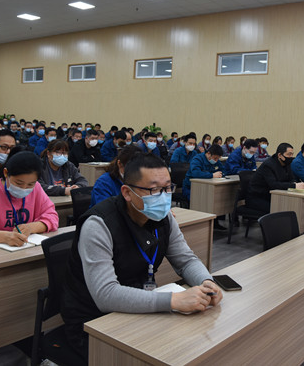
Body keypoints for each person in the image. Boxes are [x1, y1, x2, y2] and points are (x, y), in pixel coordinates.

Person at [61, 153, 223, 361]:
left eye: (167, 188)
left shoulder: (164, 217)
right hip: (93, 321)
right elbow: (106, 295)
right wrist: (174, 300)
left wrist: (206, 281)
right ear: (127, 193)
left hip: (140, 306)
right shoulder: (99, 224)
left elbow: (186, 260)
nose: (163, 197)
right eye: (154, 190)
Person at [246, 143, 304, 214]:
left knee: (289, 206)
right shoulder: (268, 165)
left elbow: (292, 178)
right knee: (280, 209)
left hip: (272, 196)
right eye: (289, 154)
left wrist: (295, 183)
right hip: (257, 197)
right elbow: (273, 185)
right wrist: (294, 186)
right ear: (280, 155)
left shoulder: (287, 164)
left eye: (292, 154)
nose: (291, 157)